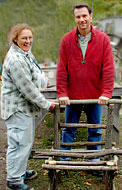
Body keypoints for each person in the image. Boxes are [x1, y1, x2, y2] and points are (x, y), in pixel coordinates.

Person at [1, 23, 58, 190]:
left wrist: (44, 80)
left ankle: (19, 171)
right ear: (16, 39)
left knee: (24, 142)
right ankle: (14, 180)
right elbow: (28, 89)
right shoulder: (16, 59)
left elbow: (35, 73)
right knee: (19, 144)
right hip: (17, 109)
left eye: (29, 38)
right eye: (23, 38)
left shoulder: (25, 53)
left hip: (23, 108)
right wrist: (47, 104)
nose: (27, 41)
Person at [56, 3, 114, 161]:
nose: (81, 19)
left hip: (95, 95)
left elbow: (108, 68)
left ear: (90, 16)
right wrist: (62, 93)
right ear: (75, 18)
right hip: (73, 96)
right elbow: (61, 69)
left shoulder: (103, 39)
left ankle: (93, 158)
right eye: (78, 17)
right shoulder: (67, 40)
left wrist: (106, 93)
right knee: (69, 128)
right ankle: (64, 158)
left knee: (94, 129)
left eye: (84, 16)